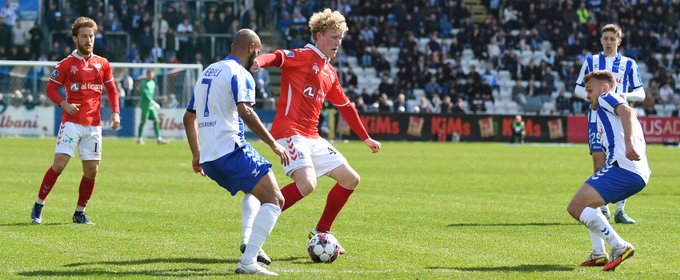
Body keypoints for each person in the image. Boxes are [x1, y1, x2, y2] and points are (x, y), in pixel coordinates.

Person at [251, 8, 382, 254]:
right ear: (319, 35)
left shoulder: (329, 72)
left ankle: (322, 230)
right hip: (289, 132)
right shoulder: (303, 55)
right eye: (334, 37)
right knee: (307, 184)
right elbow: (277, 57)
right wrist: (258, 62)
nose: (338, 43)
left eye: (341, 38)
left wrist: (365, 137)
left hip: (312, 137)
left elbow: (346, 106)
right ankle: (257, 222)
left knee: (351, 179)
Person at [183, 29, 289, 276]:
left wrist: (196, 154)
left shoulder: (207, 71)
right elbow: (246, 111)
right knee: (276, 200)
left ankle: (249, 241)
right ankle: (249, 261)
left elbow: (189, 117)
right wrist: (273, 143)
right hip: (231, 150)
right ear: (251, 47)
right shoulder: (239, 73)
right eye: (259, 51)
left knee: (255, 192)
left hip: (210, 159)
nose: (258, 57)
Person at [31, 17, 121, 225]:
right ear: (75, 39)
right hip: (71, 122)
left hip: (94, 125)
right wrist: (64, 104)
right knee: (60, 165)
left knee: (92, 170)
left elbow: (112, 91)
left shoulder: (103, 64)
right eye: (84, 36)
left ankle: (79, 213)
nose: (89, 40)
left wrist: (115, 112)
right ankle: (39, 205)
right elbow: (50, 89)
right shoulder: (65, 64)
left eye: (92, 36)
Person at [567, 70, 650, 270]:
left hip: (625, 169)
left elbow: (628, 111)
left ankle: (619, 246)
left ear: (604, 88)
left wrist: (629, 144)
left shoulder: (606, 97)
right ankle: (598, 253)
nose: (587, 96)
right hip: (632, 171)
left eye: (589, 90)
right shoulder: (606, 113)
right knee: (590, 203)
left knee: (575, 207)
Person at [574, 24, 645, 224]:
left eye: (612, 39)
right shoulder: (591, 61)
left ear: (619, 42)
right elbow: (578, 88)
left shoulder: (629, 64)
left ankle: (620, 210)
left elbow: (641, 93)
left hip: (618, 120)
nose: (608, 42)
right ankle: (602, 207)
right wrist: (591, 97)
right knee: (599, 161)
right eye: (605, 38)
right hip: (596, 120)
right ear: (601, 40)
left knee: (622, 162)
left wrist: (625, 95)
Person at [137, 69, 167, 145]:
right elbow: (145, 94)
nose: (151, 75)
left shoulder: (153, 83)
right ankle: (139, 138)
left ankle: (159, 138)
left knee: (156, 120)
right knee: (143, 121)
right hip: (145, 105)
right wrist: (153, 102)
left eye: (152, 74)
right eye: (150, 74)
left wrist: (153, 103)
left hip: (151, 106)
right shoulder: (144, 83)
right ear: (147, 75)